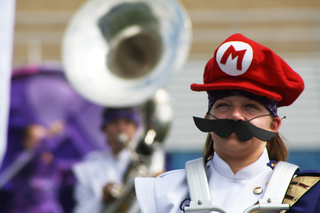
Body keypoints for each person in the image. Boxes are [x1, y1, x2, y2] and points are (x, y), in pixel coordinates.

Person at [134, 33, 320, 213]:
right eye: (223, 105)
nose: (235, 116)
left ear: (273, 125)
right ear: (208, 118)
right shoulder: (162, 193)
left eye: (250, 107)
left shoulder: (310, 196)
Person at [72, 107, 143, 213]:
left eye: (127, 123)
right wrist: (102, 200)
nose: (121, 128)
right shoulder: (87, 169)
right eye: (114, 123)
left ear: (135, 128)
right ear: (104, 129)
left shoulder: (147, 160)